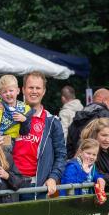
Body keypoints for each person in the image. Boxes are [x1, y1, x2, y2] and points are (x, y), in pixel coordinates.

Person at [12, 71, 66, 200]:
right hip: (9, 183)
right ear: (23, 90)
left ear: (44, 91)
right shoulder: (9, 117)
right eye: (31, 87)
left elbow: (61, 155)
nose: (34, 91)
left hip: (35, 186)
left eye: (38, 88)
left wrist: (53, 177)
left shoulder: (52, 121)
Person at [0, 75, 33, 139]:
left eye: (11, 90)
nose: (8, 94)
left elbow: (25, 132)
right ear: (0, 94)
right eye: (4, 92)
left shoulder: (25, 109)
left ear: (18, 91)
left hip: (11, 140)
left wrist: (24, 121)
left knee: (7, 145)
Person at [66, 88, 109, 159]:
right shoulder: (108, 117)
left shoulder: (78, 116)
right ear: (104, 101)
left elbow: (69, 146)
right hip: (99, 163)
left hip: (77, 161)